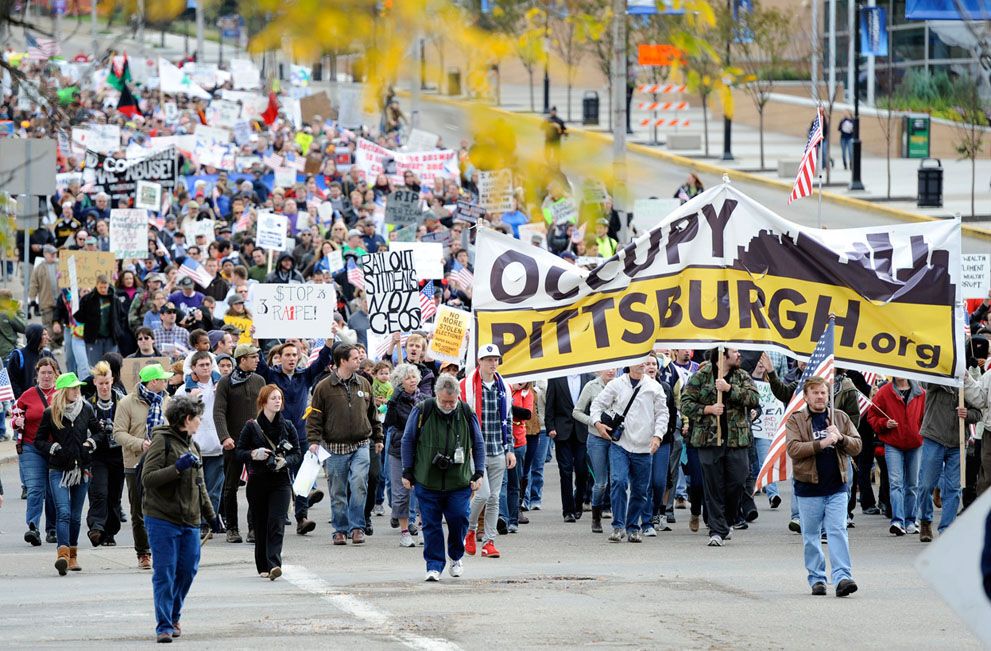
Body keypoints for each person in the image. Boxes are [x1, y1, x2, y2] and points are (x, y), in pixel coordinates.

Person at [142, 396, 219, 643]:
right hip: (162, 517)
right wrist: (176, 468)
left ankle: (174, 614)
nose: (200, 421)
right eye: (197, 417)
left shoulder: (193, 445)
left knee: (187, 570)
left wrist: (211, 515)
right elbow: (148, 479)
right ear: (187, 419)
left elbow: (201, 484)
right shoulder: (161, 441)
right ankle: (164, 625)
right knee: (165, 572)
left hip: (191, 519)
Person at [401, 374, 485, 581]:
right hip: (427, 480)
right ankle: (434, 565)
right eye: (444, 401)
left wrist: (479, 472)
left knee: (459, 518)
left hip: (458, 481)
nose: (448, 405)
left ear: (458, 396)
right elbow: (407, 440)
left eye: (452, 401)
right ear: (436, 395)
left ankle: (456, 556)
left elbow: (478, 443)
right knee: (431, 525)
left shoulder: (466, 412)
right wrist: (407, 471)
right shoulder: (422, 410)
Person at [785, 376, 862, 597]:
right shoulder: (796, 420)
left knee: (838, 531)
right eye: (815, 393)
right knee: (811, 535)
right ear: (806, 396)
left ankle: (842, 577)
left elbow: (857, 445)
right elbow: (793, 449)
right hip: (808, 488)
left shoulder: (840, 417)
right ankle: (817, 578)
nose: (820, 397)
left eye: (823, 393)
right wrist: (822, 443)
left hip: (837, 487)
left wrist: (841, 439)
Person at [681, 347, 759, 546]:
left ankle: (728, 520)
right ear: (721, 356)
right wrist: (708, 409)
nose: (739, 354)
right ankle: (716, 530)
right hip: (709, 440)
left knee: (738, 481)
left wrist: (729, 389)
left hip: (737, 440)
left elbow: (754, 399)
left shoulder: (742, 376)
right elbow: (685, 403)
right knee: (713, 486)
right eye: (734, 352)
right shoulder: (701, 376)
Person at [307, 344, 383, 545]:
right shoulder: (323, 387)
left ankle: (357, 527)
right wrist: (314, 441)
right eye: (356, 358)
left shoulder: (365, 384)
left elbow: (372, 413)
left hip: (361, 443)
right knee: (338, 490)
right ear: (343, 361)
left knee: (359, 483)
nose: (360, 361)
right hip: (334, 446)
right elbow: (314, 416)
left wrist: (378, 438)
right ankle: (340, 529)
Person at [256, 337, 333, 535]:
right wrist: (256, 342)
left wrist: (329, 344)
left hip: (300, 434)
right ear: (279, 358)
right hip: (277, 436)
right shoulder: (272, 376)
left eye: (294, 355)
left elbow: (321, 362)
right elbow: (260, 367)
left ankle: (302, 518)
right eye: (287, 355)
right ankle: (279, 515)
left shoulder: (303, 376)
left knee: (304, 477)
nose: (291, 359)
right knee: (279, 476)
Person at [589, 357, 669, 543]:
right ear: (629, 363)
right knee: (618, 481)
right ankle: (618, 526)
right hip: (621, 445)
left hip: (644, 447)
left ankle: (633, 527)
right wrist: (598, 424)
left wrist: (658, 435)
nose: (642, 364)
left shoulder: (654, 387)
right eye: (638, 360)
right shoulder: (617, 384)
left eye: (646, 361)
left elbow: (662, 413)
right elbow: (597, 405)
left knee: (640, 490)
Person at [34, 372, 101, 575]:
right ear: (64, 391)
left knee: (74, 516)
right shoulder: (50, 412)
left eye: (78, 387)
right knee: (62, 512)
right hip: (58, 470)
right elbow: (39, 440)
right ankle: (62, 555)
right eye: (73, 388)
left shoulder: (86, 409)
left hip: (82, 469)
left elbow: (99, 432)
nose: (76, 391)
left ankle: (72, 556)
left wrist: (90, 443)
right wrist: (54, 448)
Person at [236, 384, 300, 579]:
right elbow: (238, 453)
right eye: (273, 398)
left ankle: (274, 564)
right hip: (257, 480)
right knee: (261, 523)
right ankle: (263, 565)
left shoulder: (287, 425)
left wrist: (285, 461)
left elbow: (297, 453)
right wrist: (254, 454)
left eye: (279, 398)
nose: (278, 401)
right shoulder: (251, 426)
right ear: (263, 402)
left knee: (276, 522)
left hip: (280, 481)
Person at [113, 363, 173, 570]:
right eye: (163, 379)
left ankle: (162, 550)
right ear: (153, 381)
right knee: (138, 509)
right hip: (135, 463)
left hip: (162, 463)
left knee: (163, 508)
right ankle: (143, 552)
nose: (166, 382)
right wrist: (140, 443)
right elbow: (118, 432)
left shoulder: (167, 400)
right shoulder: (127, 403)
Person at [461, 344, 516, 559]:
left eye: (496, 359)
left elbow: (508, 420)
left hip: (498, 449)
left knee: (494, 497)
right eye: (489, 359)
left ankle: (489, 541)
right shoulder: (466, 387)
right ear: (480, 362)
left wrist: (509, 449)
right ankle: (470, 529)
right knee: (482, 494)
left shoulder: (505, 388)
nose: (493, 363)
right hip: (476, 450)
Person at [917, 375, 985, 541]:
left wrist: (968, 413)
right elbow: (925, 382)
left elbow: (979, 411)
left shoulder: (967, 382)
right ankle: (925, 521)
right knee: (926, 484)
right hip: (934, 437)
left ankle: (947, 529)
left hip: (958, 442)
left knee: (953, 488)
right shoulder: (934, 379)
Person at [214, 344, 266, 544]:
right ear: (242, 359)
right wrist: (224, 437)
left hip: (256, 444)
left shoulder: (260, 380)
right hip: (233, 443)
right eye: (253, 357)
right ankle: (232, 528)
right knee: (230, 487)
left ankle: (253, 528)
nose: (257, 360)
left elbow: (264, 409)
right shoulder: (225, 382)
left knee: (256, 486)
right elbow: (218, 411)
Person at [174, 350, 225, 537]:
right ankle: (194, 521)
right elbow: (175, 416)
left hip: (217, 444)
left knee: (214, 489)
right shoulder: (184, 389)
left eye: (208, 364)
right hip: (194, 446)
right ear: (193, 368)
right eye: (201, 365)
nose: (205, 368)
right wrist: (191, 398)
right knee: (194, 486)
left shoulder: (221, 386)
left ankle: (208, 522)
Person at [866, 377, 925, 536]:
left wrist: (921, 433)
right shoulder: (884, 392)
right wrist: (885, 423)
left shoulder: (920, 393)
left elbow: (926, 417)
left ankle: (911, 520)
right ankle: (898, 520)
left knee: (913, 484)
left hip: (915, 444)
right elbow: (872, 416)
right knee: (896, 483)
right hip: (893, 444)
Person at [13, 357, 60, 545]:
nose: (46, 376)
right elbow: (15, 417)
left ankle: (53, 529)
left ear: (56, 374)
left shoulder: (61, 394)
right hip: (31, 446)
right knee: (35, 488)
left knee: (53, 491)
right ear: (37, 375)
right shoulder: (28, 395)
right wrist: (17, 422)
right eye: (43, 373)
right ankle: (33, 527)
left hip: (54, 448)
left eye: (50, 372)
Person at [383, 363, 427, 548]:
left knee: (423, 491)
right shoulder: (396, 400)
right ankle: (404, 532)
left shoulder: (425, 399)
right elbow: (389, 424)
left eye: (414, 376)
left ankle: (424, 529)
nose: (412, 380)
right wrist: (393, 401)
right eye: (407, 378)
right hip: (399, 450)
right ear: (400, 382)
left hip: (422, 451)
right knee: (400, 493)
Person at [85, 361, 126, 547]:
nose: (104, 387)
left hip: (118, 453)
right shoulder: (89, 404)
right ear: (94, 382)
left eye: (107, 383)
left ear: (113, 381)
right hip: (97, 454)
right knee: (99, 491)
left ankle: (110, 532)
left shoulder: (122, 400)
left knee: (114, 495)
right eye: (100, 383)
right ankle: (96, 527)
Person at [545, 372, 594, 523]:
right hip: (562, 431)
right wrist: (550, 427)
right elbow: (550, 404)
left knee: (582, 471)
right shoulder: (556, 378)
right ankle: (568, 510)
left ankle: (578, 502)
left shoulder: (589, 378)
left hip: (582, 430)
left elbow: (593, 405)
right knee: (565, 471)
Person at [573, 368, 616, 533]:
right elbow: (576, 412)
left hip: (618, 439)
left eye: (615, 366)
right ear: (599, 369)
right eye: (608, 366)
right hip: (597, 439)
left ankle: (617, 517)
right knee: (601, 483)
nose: (611, 370)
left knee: (618, 480)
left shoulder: (622, 385)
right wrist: (594, 422)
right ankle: (596, 516)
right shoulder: (591, 386)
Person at [74, 274, 120, 368]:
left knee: (111, 366)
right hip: (94, 338)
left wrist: (118, 331)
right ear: (96, 285)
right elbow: (80, 318)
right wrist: (75, 306)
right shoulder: (88, 299)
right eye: (101, 287)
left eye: (105, 287)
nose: (103, 290)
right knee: (95, 367)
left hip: (111, 338)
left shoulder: (114, 299)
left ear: (108, 285)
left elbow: (121, 315)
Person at [7, 323, 53, 398]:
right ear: (35, 337)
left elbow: (58, 375)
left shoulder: (47, 355)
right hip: (25, 401)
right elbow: (12, 382)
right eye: (44, 335)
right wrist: (24, 399)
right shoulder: (18, 356)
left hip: (46, 399)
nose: (48, 338)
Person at [28, 245, 61, 344]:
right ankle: (50, 345)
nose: (54, 255)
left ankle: (57, 344)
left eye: (55, 253)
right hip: (46, 301)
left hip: (60, 301)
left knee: (59, 323)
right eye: (52, 253)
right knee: (48, 324)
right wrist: (32, 298)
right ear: (45, 254)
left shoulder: (60, 264)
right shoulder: (39, 268)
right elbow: (34, 283)